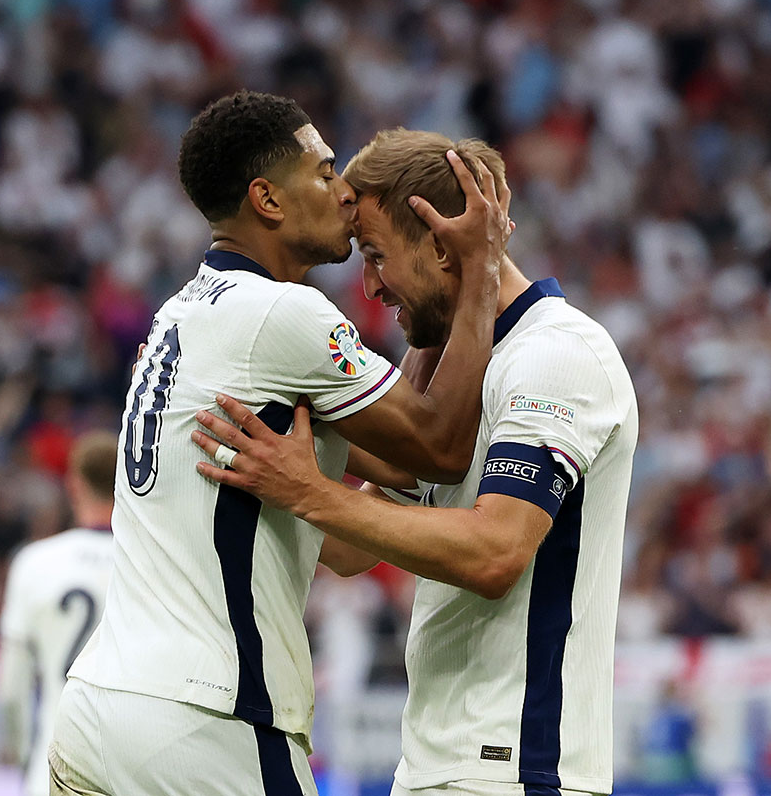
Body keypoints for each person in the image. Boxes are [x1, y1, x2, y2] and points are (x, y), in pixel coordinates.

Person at [48, 92, 510, 795]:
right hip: (207, 714)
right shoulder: (281, 314)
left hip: (98, 708)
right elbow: (441, 447)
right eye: (325, 173)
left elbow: (381, 492)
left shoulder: (182, 313)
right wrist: (475, 268)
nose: (344, 191)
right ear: (268, 198)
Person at [193, 129, 639, 796]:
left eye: (375, 256)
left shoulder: (555, 355)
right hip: (441, 764)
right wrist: (258, 447)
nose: (368, 286)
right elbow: (348, 549)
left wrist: (311, 492)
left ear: (441, 241)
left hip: (517, 767)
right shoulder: (444, 376)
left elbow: (494, 551)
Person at [0, 432, 119, 796]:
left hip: (53, 764)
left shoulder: (35, 562)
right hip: (126, 768)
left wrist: (22, 752)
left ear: (73, 484)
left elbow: (11, 686)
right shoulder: (152, 563)